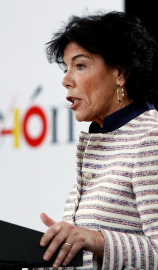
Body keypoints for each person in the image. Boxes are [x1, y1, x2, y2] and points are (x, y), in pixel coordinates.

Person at [39, 11, 158, 269]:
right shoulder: (101, 144)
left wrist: (94, 239)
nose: (66, 80)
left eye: (80, 66)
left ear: (120, 73)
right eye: (66, 67)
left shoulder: (150, 139)